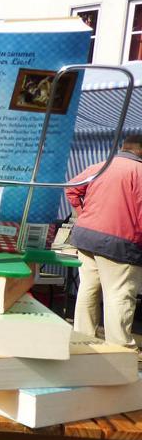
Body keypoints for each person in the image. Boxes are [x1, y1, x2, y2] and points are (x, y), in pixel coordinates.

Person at [65, 135, 142, 348]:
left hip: (86, 238)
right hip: (120, 243)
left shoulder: (100, 166)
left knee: (88, 290)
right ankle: (120, 350)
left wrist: (83, 214)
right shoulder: (139, 172)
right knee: (119, 294)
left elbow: (71, 187)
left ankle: (82, 342)